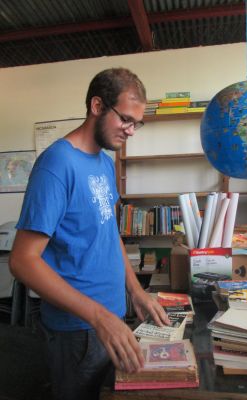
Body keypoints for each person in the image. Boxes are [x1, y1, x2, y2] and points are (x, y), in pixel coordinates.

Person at [9, 68, 170, 400]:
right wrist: (99, 317)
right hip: (78, 330)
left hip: (111, 317)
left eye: (137, 123)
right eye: (126, 119)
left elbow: (108, 233)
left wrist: (136, 291)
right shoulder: (56, 165)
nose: (131, 131)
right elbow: (22, 261)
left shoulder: (104, 162)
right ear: (97, 106)